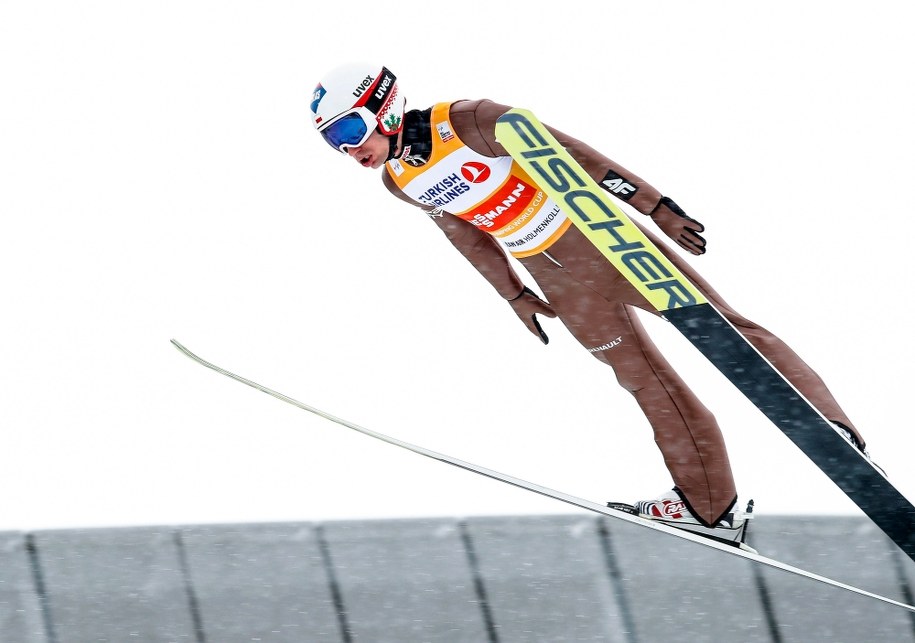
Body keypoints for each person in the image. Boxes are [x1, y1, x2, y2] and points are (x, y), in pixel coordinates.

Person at [309, 62, 871, 544]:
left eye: (350, 129)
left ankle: (828, 424)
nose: (350, 149)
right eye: (334, 142)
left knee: (719, 328)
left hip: (598, 242)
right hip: (552, 275)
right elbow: (466, 235)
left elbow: (575, 156)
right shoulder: (399, 181)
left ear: (383, 106)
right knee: (642, 379)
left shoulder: (469, 120)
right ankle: (709, 505)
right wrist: (514, 295)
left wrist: (655, 206)